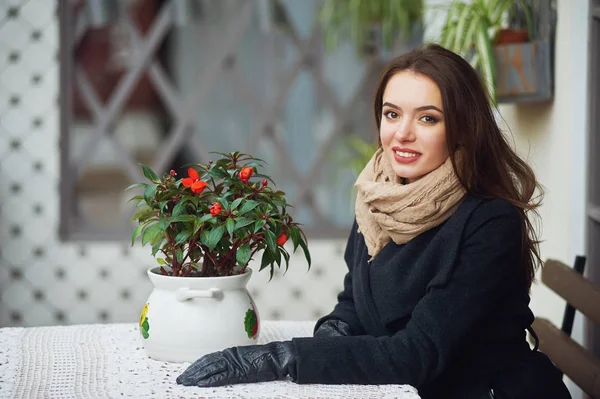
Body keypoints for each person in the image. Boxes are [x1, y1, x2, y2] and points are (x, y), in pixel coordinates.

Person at [176, 43, 572, 399]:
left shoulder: (489, 221)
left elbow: (417, 353)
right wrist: (334, 334)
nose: (402, 133)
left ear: (463, 128)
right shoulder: (379, 199)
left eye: (428, 118)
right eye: (392, 113)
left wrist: (283, 357)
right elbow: (354, 303)